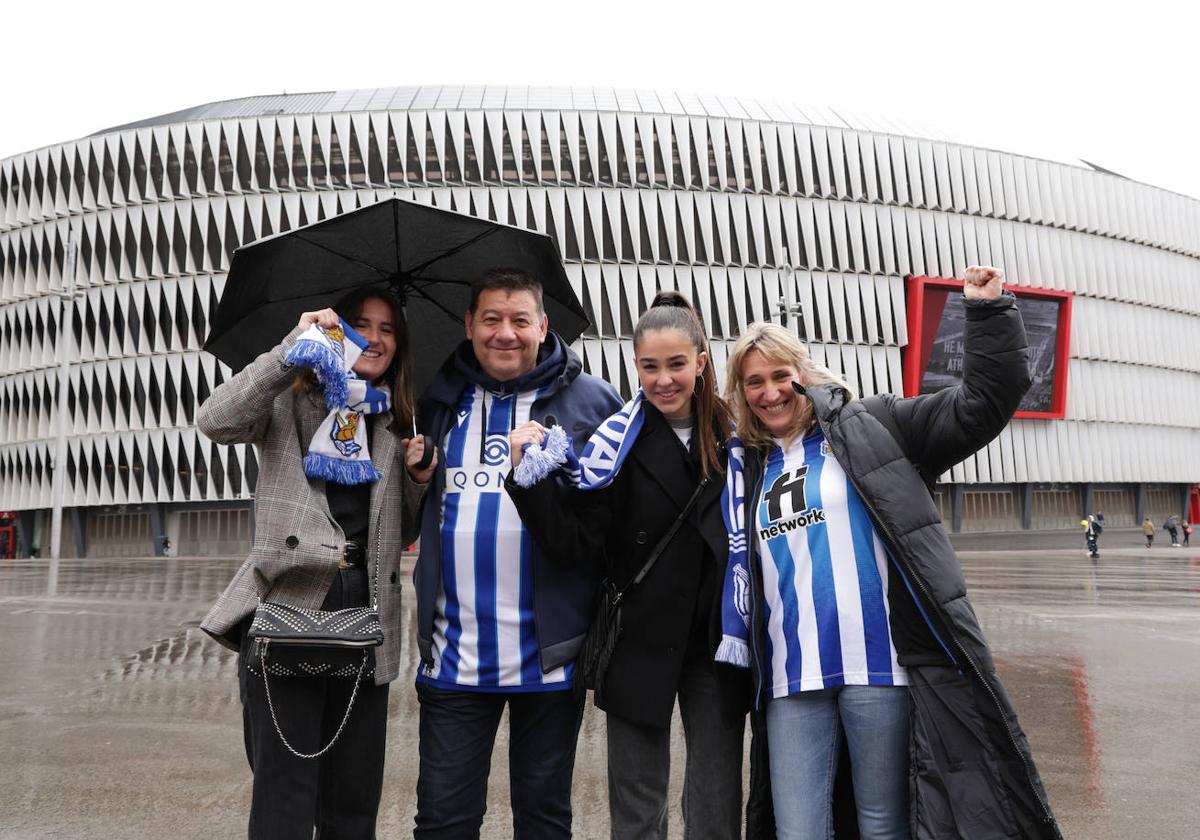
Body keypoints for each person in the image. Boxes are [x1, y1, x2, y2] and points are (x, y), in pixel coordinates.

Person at [719, 266, 1061, 839]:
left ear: (804, 375)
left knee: (883, 825)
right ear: (741, 391)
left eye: (781, 375)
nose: (770, 392)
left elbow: (981, 403)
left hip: (878, 668)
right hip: (789, 675)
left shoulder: (874, 426)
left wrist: (986, 311)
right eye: (754, 382)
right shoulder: (746, 465)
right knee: (798, 829)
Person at [505, 291, 749, 839]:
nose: (663, 379)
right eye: (649, 366)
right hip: (637, 640)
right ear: (634, 365)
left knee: (715, 807)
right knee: (637, 811)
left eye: (677, 365)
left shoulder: (739, 440)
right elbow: (575, 546)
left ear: (702, 362)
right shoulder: (611, 446)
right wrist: (529, 479)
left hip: (718, 640)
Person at [198, 288, 430, 839]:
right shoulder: (289, 400)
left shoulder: (396, 424)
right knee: (285, 797)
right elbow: (215, 420)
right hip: (290, 606)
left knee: (353, 800)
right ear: (335, 331)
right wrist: (289, 351)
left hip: (366, 613)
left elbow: (406, 532)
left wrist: (420, 482)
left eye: (387, 329)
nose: (373, 338)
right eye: (359, 324)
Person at [411, 268, 622, 839]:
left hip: (551, 657)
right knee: (442, 822)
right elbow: (412, 506)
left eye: (520, 320)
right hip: (454, 657)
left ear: (543, 325)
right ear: (469, 325)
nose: (506, 333)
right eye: (491, 319)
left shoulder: (594, 400)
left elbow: (613, 519)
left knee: (545, 820)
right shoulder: (437, 398)